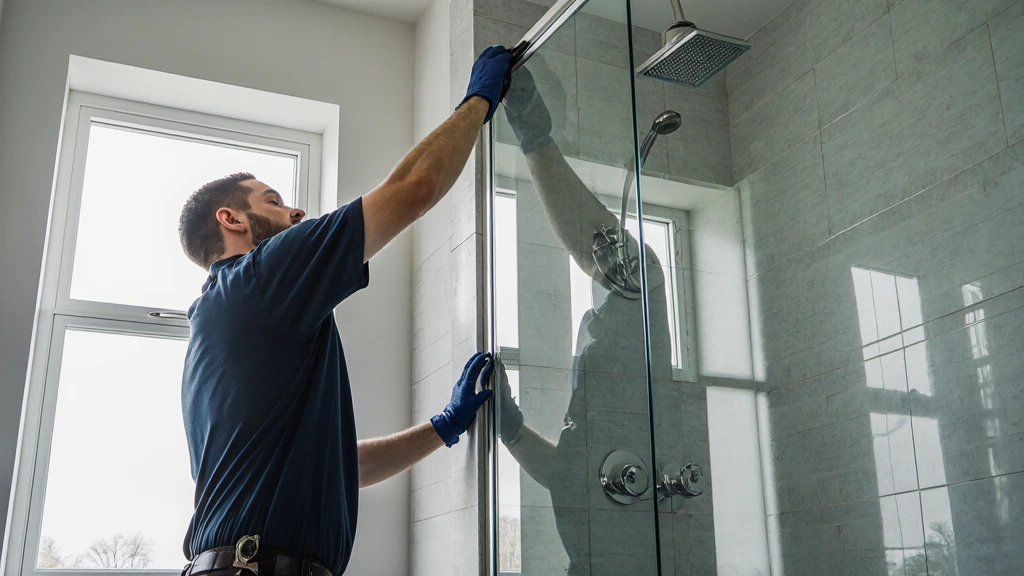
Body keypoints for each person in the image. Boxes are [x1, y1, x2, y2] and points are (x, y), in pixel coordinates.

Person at [175, 46, 514, 576]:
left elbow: (341, 467)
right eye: (273, 200)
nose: (296, 211)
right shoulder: (260, 276)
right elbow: (416, 188)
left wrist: (444, 426)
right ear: (232, 220)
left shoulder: (217, 319)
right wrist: (478, 101)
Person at [494, 58, 675, 575]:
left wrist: (535, 138)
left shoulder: (631, 403)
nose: (592, 330)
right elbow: (575, 478)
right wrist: (511, 429)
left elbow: (575, 480)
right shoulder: (622, 422)